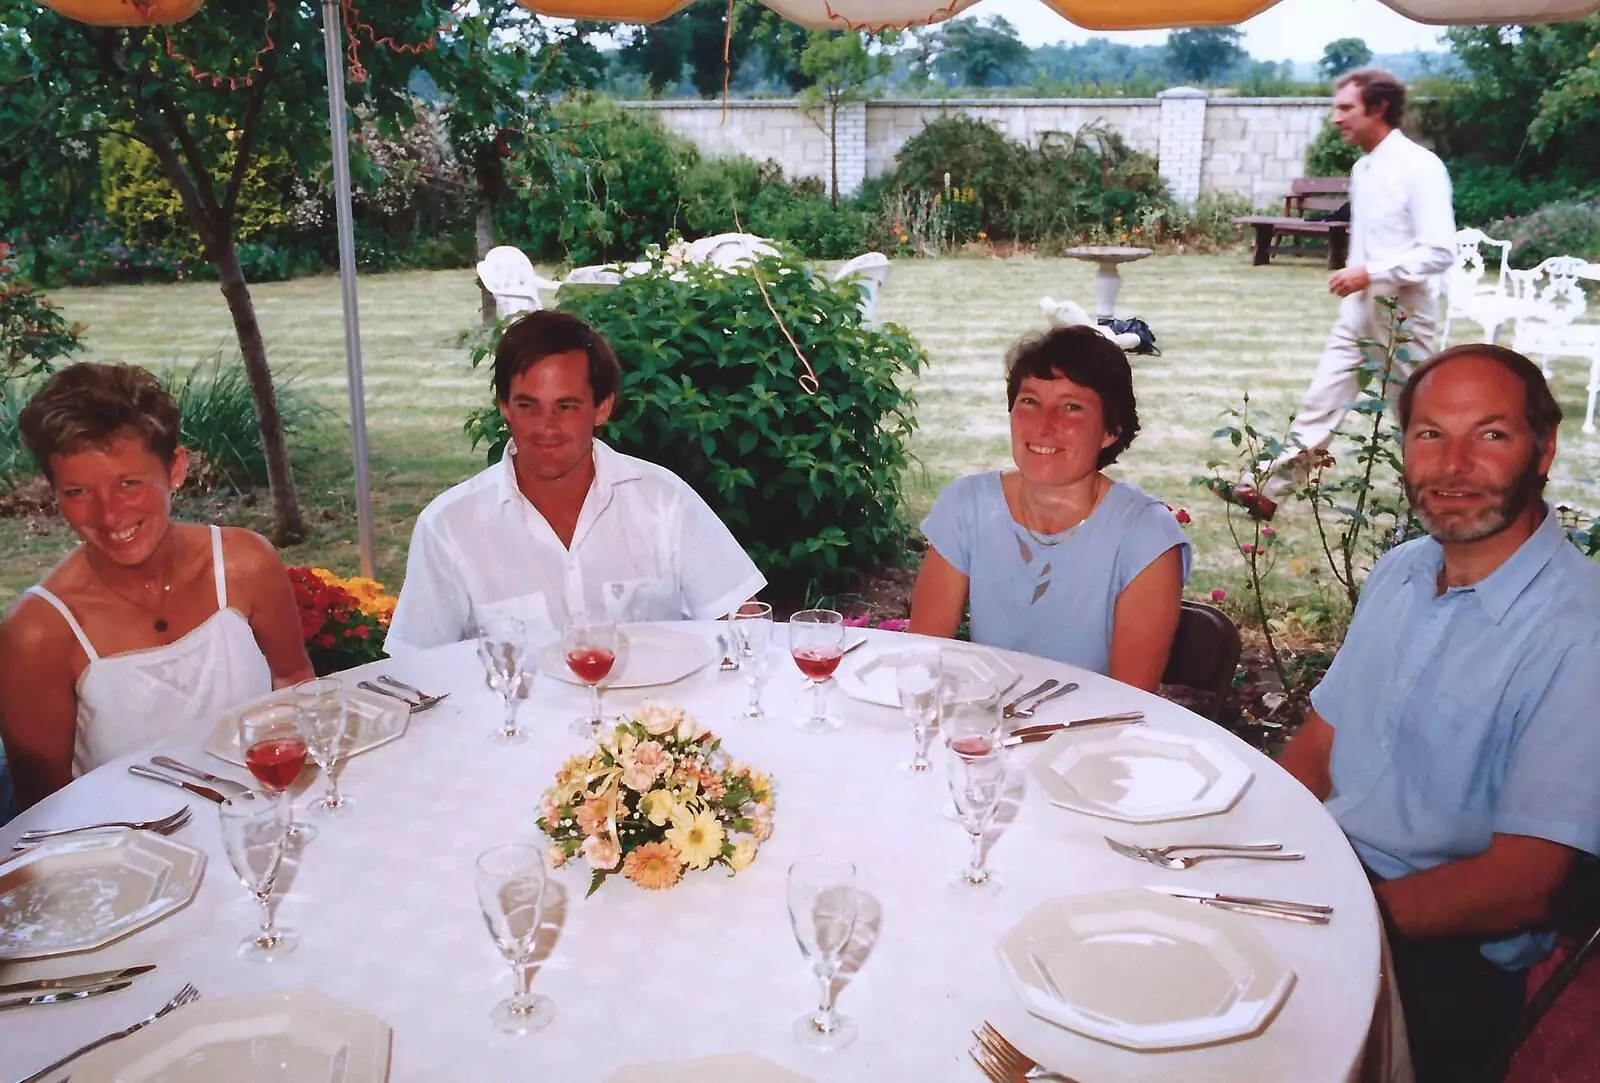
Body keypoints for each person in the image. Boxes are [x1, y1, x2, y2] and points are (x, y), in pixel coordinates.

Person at [1277, 345, 1600, 1083]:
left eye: (1489, 434)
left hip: (1439, 950)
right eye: (1430, 434)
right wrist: (1254, 846)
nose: (1453, 466)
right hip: (1329, 880)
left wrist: (1338, 922)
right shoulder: (1402, 570)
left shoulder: (1582, 631)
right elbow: (1320, 745)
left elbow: (1522, 882)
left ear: (1543, 448)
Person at [0, 363, 314, 808]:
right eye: (77, 492)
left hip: (265, 823)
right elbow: (42, 814)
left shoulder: (246, 564)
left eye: (128, 483)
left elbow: (294, 680)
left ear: (175, 469)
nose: (108, 515)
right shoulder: (36, 633)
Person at [388, 310, 766, 651]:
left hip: (646, 723)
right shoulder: (449, 526)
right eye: (527, 405)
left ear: (602, 408)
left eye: (566, 406)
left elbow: (744, 627)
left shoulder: (664, 501)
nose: (545, 427)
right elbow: (415, 670)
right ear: (504, 407)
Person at [1223, 68, 1456, 521]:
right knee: (1322, 399)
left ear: (1379, 108)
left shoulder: (1420, 167)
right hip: (1360, 308)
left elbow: (1440, 250)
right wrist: (1361, 278)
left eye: (1346, 108)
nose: (1335, 118)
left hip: (1404, 315)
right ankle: (1268, 491)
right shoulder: (1364, 168)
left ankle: (1446, 505)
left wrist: (1371, 272)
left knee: (1420, 418)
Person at [907, 325, 1190, 689]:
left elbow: (1131, 702)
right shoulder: (968, 506)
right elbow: (923, 656)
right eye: (1030, 401)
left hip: (1091, 735)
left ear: (1110, 430)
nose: (1044, 425)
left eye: (1071, 406)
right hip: (981, 729)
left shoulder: (1146, 535)